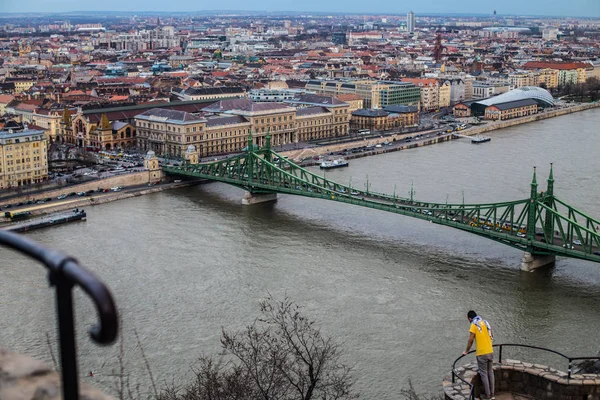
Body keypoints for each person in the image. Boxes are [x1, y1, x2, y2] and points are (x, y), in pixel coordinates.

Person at [463, 310, 495, 400]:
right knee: (490, 373)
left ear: (470, 318)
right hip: (490, 351)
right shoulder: (485, 322)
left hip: (482, 353)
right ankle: (492, 394)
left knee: (484, 374)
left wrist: (466, 351)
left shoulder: (474, 324)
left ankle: (487, 395)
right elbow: (491, 335)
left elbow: (471, 340)